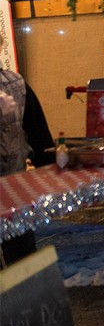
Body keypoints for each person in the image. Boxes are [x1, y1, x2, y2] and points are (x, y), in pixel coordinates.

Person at [0, 35, 55, 266]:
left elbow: (41, 139)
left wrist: (53, 174)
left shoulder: (16, 85)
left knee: (22, 263)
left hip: (14, 192)